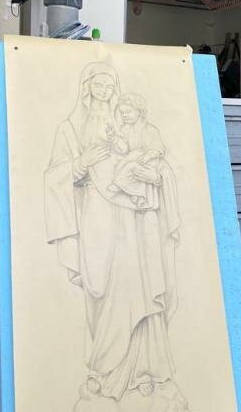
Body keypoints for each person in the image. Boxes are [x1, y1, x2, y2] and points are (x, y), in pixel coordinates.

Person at [43, 62, 188, 409]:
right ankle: (104, 371)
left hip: (134, 220)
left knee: (138, 284)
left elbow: (160, 165)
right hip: (95, 217)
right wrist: (81, 163)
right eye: (98, 86)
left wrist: (153, 177)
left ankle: (143, 372)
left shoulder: (128, 124)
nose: (105, 92)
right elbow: (53, 176)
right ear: (87, 89)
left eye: (110, 87)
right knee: (101, 287)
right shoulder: (70, 128)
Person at [107, 93, 165, 210]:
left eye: (128, 112)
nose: (124, 115)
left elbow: (158, 148)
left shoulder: (150, 129)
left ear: (139, 111)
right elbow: (124, 149)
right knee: (124, 165)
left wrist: (148, 155)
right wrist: (114, 139)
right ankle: (136, 195)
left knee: (131, 166)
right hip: (133, 159)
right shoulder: (125, 129)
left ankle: (119, 184)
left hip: (148, 161)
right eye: (122, 113)